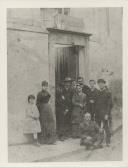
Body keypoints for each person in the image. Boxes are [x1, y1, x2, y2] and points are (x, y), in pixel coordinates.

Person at [95, 79, 113, 146]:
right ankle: (100, 140)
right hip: (97, 113)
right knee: (98, 127)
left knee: (106, 127)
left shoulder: (108, 92)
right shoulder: (97, 92)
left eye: (102, 83)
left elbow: (110, 105)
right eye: (99, 84)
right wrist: (95, 112)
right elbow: (96, 103)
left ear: (104, 84)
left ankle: (108, 141)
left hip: (104, 113)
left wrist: (107, 114)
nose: (100, 85)